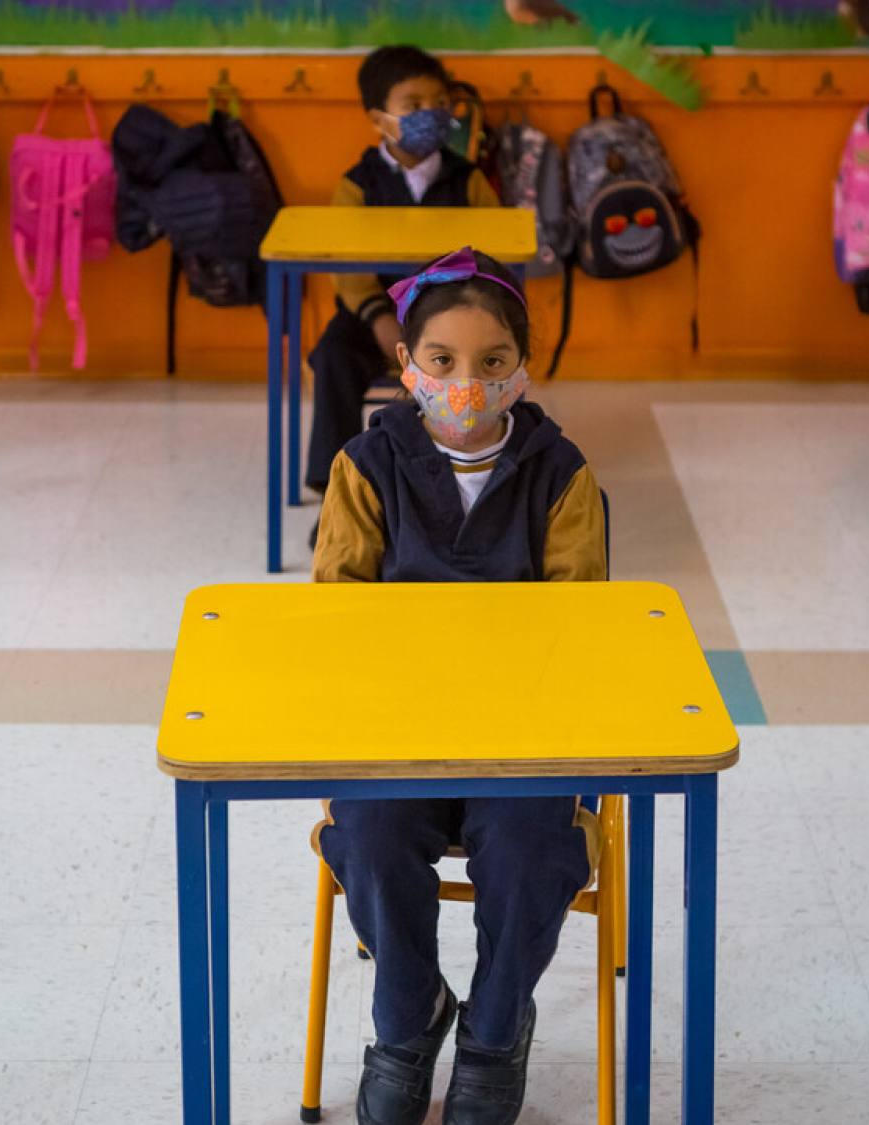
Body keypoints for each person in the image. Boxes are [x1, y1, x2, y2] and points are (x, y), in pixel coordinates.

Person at [312, 248, 605, 1125]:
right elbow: (336, 619)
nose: (466, 383)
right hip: (397, 733)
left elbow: (583, 629)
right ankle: (407, 1020)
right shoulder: (365, 466)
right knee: (367, 828)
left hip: (524, 737)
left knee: (529, 846)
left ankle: (495, 1027)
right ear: (406, 366)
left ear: (522, 369)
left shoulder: (563, 475)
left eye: (490, 363)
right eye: (440, 361)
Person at [305, 46, 501, 511]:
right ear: (379, 119)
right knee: (332, 356)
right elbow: (343, 267)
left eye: (438, 103)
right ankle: (339, 495)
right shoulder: (357, 184)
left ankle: (467, 489)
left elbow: (496, 252)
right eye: (413, 106)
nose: (429, 114)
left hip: (452, 319)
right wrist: (377, 318)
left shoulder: (468, 180)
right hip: (373, 315)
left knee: (480, 367)